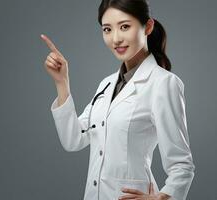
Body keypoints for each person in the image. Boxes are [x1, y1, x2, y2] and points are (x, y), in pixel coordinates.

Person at [40, 0, 195, 199]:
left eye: (124, 27)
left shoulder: (163, 84)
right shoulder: (106, 84)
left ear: (148, 27)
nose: (115, 39)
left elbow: (182, 165)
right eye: (107, 29)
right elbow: (74, 140)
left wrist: (163, 197)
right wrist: (62, 82)